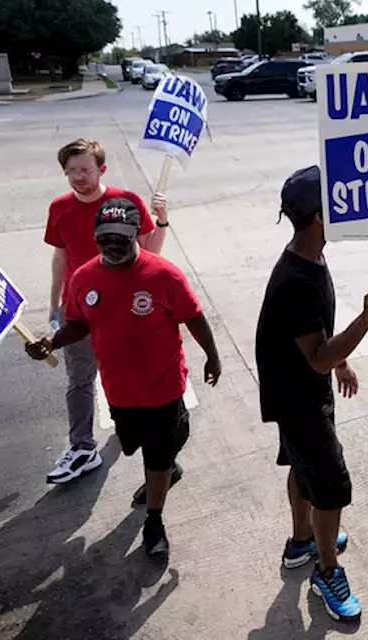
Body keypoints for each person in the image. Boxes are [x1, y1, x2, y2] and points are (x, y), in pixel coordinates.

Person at [25, 198, 221, 558]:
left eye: (121, 237)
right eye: (104, 238)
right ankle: (165, 466)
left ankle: (154, 520)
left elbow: (193, 316)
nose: (112, 245)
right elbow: (78, 324)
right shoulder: (83, 278)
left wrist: (212, 356)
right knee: (135, 444)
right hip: (119, 391)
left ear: (136, 234)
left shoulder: (165, 275)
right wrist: (50, 341)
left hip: (164, 387)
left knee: (157, 454)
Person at [254, 165, 368, 623]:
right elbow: (315, 355)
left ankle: (301, 542)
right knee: (330, 487)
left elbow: (314, 337)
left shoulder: (310, 254)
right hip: (300, 398)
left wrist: (342, 360)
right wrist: (365, 322)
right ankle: (326, 570)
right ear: (317, 217)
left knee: (302, 468)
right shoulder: (296, 279)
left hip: (296, 389)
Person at [42, 139, 168, 485]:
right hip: (80, 308)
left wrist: (162, 221)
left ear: (101, 169)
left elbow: (150, 250)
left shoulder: (126, 202)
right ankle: (82, 448)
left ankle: (154, 446)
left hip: (125, 306)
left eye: (83, 169)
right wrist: (54, 304)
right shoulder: (59, 208)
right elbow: (60, 256)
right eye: (70, 171)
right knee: (79, 379)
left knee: (135, 376)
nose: (76, 177)